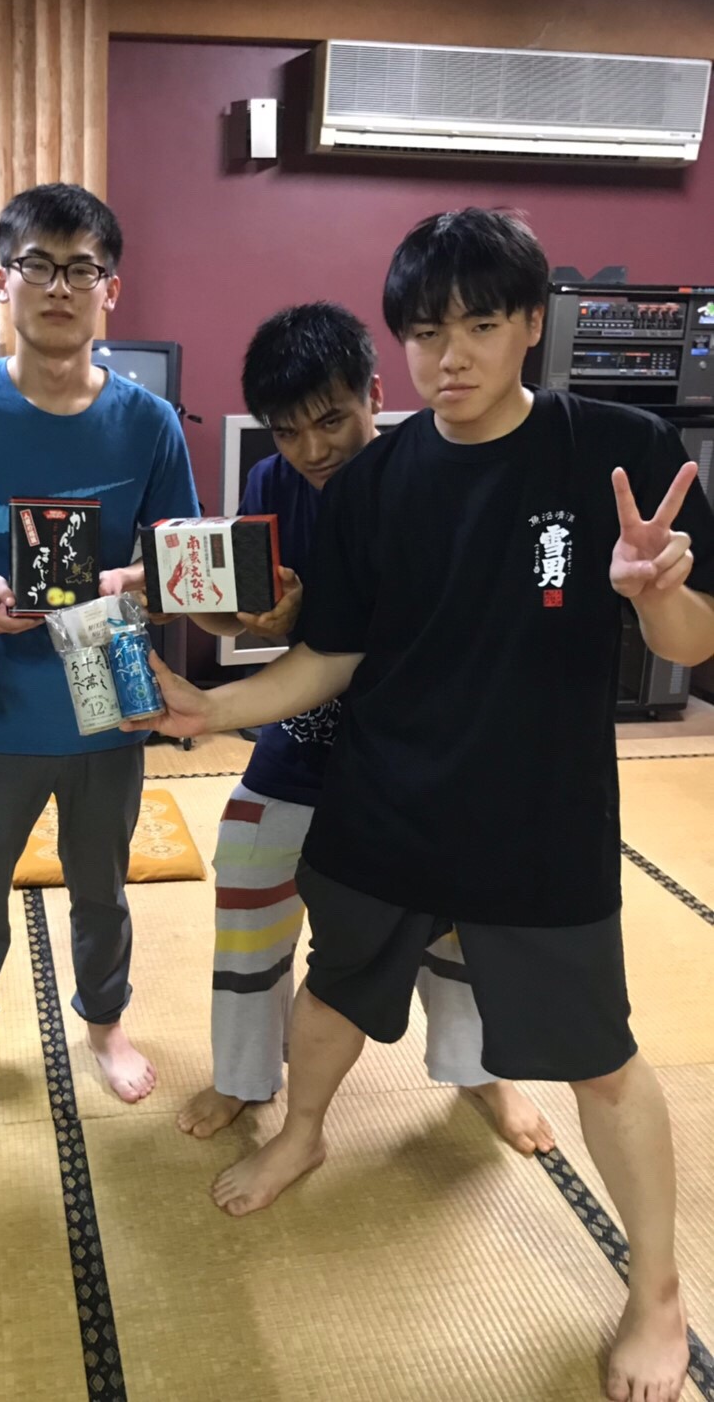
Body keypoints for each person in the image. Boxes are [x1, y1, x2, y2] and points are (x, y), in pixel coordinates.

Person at [128, 210, 714, 1402]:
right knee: (336, 989)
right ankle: (302, 1131)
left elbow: (691, 642)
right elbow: (330, 656)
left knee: (599, 1059)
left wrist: (654, 592)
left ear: (530, 323)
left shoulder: (618, 449)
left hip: (539, 819)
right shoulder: (371, 484)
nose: (450, 354)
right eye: (425, 330)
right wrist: (211, 710)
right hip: (383, 802)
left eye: (479, 324)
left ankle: (655, 1289)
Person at [178, 301, 553, 1158]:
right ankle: (243, 1074)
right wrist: (245, 618)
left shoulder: (433, 473)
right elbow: (250, 622)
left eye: (331, 420)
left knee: (457, 920)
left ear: (375, 394)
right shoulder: (272, 485)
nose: (311, 450)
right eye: (287, 432)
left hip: (417, 764)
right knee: (246, 880)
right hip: (302, 744)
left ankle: (479, 1068)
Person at [0, 183, 199, 1130]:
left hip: (110, 686)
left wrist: (123, 579)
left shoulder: (149, 422)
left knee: (103, 886)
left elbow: (179, 556)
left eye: (82, 269)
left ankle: (105, 1025)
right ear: (4, 279)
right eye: (39, 265)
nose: (60, 287)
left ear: (112, 288)